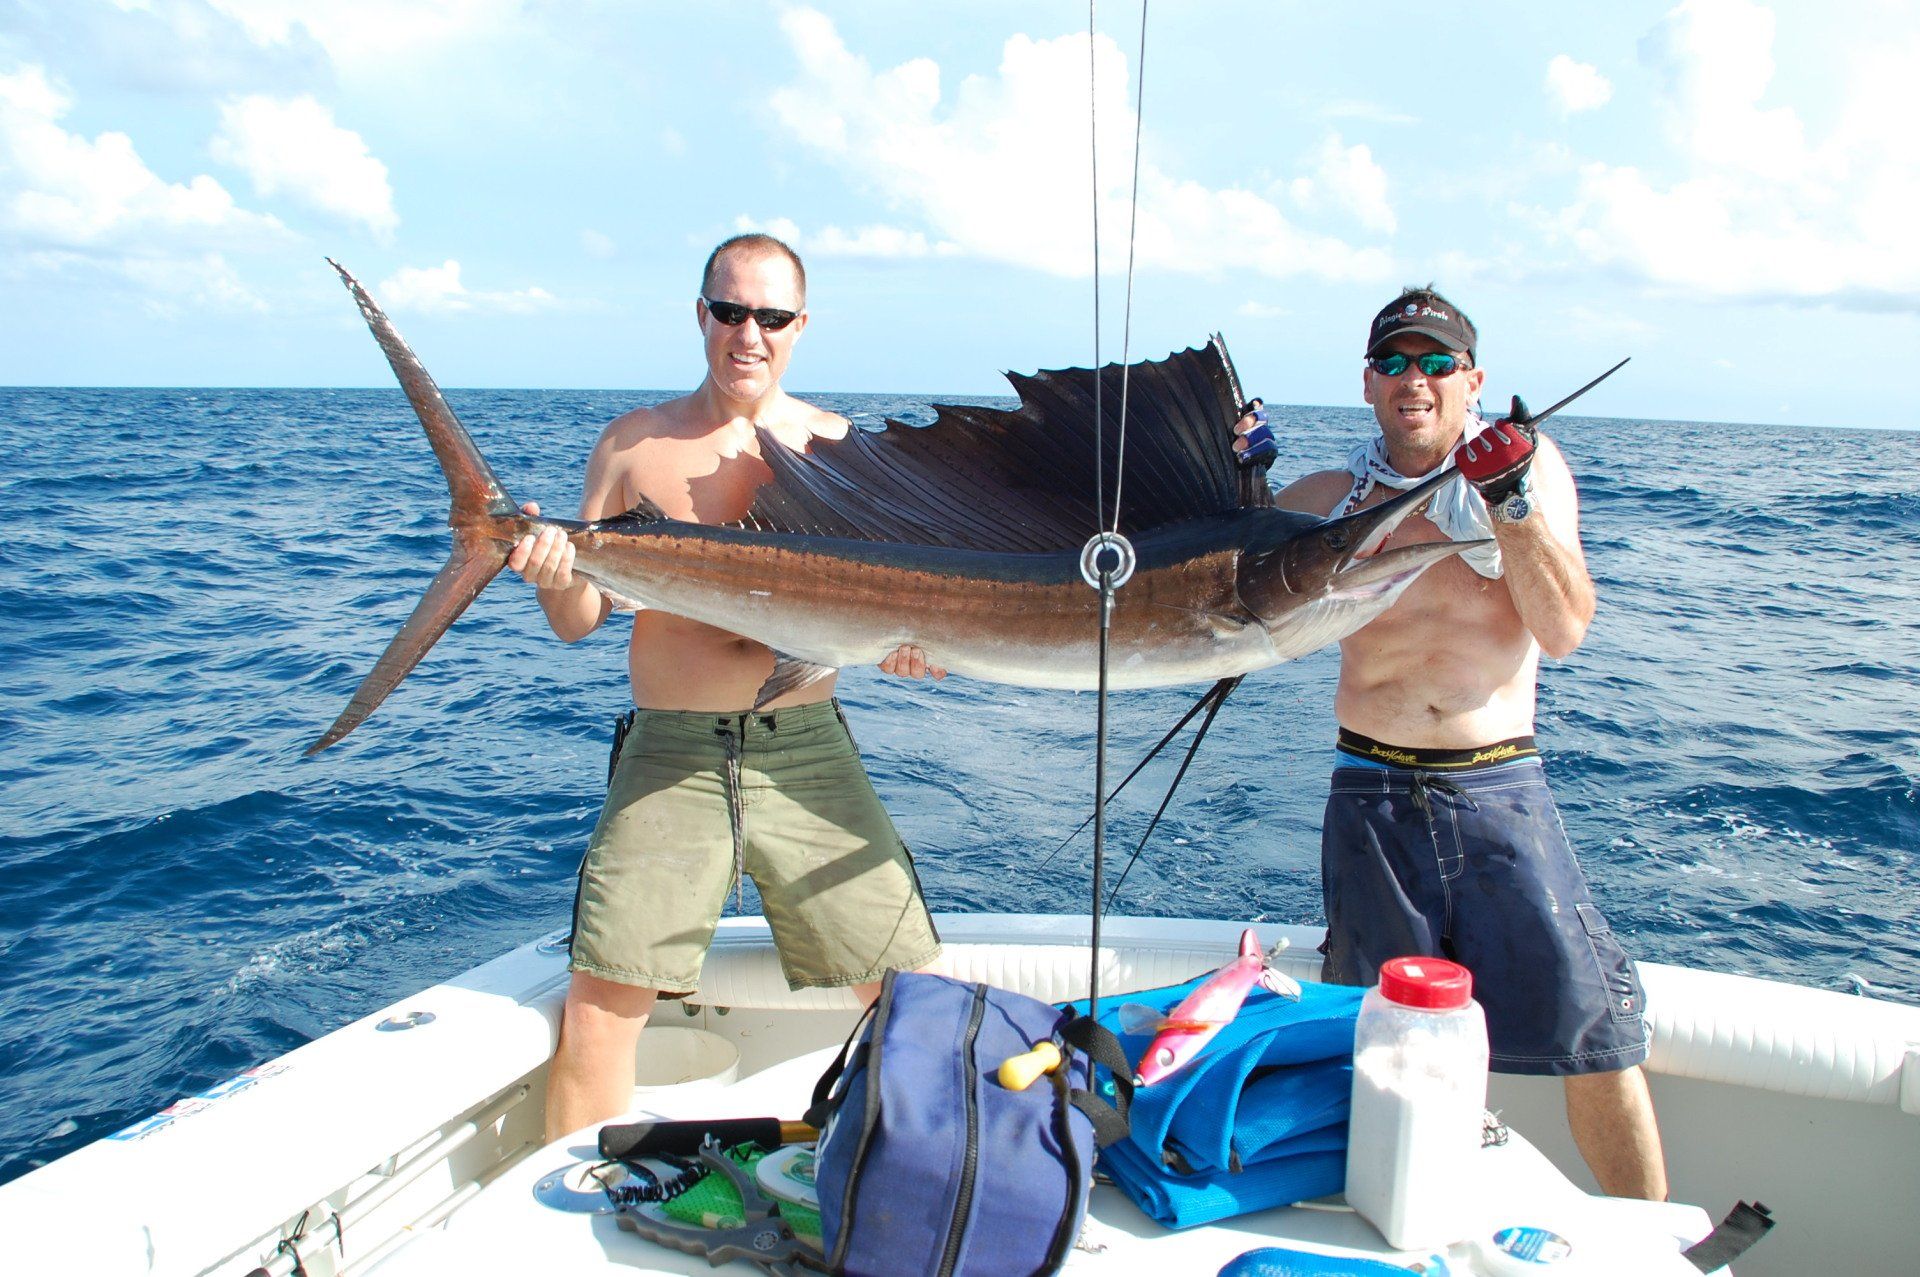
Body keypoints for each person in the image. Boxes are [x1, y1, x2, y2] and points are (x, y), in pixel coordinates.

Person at [508, 233, 945, 1142]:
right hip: (671, 751)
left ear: (801, 325)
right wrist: (554, 569)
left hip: (808, 749)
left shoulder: (838, 447)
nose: (750, 334)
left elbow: (896, 607)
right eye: (731, 311)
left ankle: (919, 1181)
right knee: (600, 1006)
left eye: (772, 316)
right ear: (701, 314)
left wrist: (911, 646)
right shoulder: (632, 444)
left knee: (910, 993)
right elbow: (579, 619)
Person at [1235, 287, 1668, 1200]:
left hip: (1497, 789)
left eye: (1437, 363)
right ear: (1367, 383)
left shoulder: (1532, 468)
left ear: (1473, 380)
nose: (1414, 380)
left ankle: (1653, 1242)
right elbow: (1230, 603)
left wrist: (1507, 498)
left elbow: (1564, 629)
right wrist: (1240, 490)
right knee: (1371, 1039)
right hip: (1369, 793)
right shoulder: (1321, 499)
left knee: (1594, 1034)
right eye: (1394, 362)